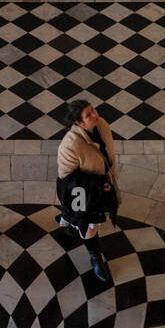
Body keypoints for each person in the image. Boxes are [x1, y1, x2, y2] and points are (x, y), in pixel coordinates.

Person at [56, 99, 119, 283]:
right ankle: (95, 257)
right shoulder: (70, 144)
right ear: (78, 123)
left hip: (102, 183)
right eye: (88, 115)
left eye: (93, 110)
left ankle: (71, 226)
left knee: (86, 221)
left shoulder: (102, 125)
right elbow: (66, 177)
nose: (95, 115)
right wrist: (97, 184)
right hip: (83, 192)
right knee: (88, 224)